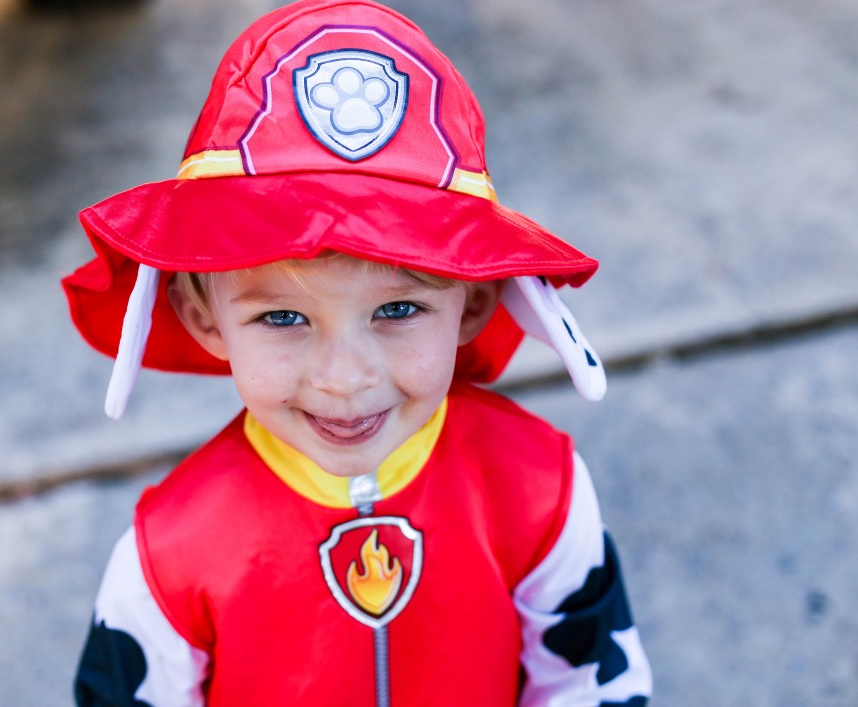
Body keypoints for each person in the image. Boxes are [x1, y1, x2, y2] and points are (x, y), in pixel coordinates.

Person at [62, 0, 653, 704]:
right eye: (283, 316)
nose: (344, 378)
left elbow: (592, 681)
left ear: (478, 302)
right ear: (201, 315)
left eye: (398, 309)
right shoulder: (172, 554)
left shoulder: (537, 491)